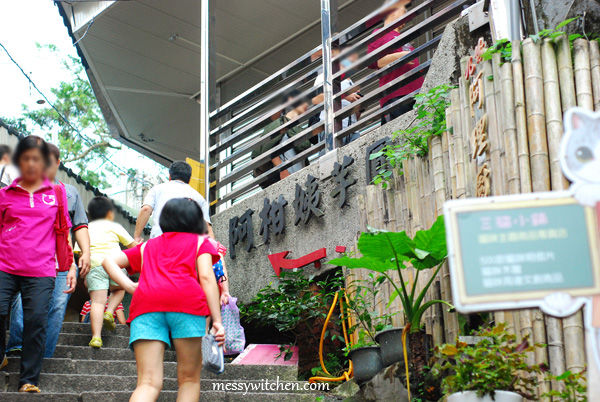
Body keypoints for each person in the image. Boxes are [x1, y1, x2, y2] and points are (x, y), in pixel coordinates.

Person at [103, 198, 225, 402]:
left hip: (146, 305)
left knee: (148, 383)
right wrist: (217, 321)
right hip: (187, 305)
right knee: (189, 380)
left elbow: (108, 260)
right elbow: (206, 278)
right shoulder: (199, 243)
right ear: (195, 220)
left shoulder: (147, 246)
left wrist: (129, 286)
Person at [0, 136, 74, 393]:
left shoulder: (56, 193)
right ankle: (1, 355)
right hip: (4, 266)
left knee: (36, 321)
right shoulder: (4, 195)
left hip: (42, 271)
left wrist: (69, 267)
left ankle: (28, 380)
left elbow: (63, 231)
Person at [6, 143, 91, 358]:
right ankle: (16, 345)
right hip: (25, 260)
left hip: (60, 261)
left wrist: (85, 254)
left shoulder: (70, 193)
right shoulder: (19, 189)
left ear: (57, 163)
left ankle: (45, 355)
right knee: (22, 304)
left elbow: (79, 225)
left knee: (56, 307)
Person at [134, 161, 231, 305]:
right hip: (188, 249)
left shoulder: (158, 189)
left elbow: (145, 210)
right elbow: (208, 229)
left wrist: (136, 235)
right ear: (189, 178)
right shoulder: (198, 197)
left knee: (156, 280)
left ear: (169, 176)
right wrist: (211, 251)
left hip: (159, 243)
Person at [80, 196, 137, 348]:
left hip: (95, 266)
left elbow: (81, 253)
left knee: (97, 302)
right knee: (120, 289)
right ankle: (110, 311)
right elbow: (132, 247)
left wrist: (85, 274)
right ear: (110, 213)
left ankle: (96, 337)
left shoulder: (85, 228)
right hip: (115, 266)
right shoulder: (115, 226)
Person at [367, 0, 424, 125]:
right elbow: (374, 62)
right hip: (396, 96)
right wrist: (401, 56)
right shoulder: (379, 33)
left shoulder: (403, 38)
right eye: (403, 11)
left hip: (416, 94)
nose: (406, 15)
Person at [252, 91, 312, 184]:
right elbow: (272, 150)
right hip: (288, 175)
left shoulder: (293, 128)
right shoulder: (281, 125)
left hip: (299, 175)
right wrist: (283, 171)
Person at [312, 44, 363, 149]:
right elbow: (317, 99)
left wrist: (358, 105)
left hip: (352, 129)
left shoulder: (350, 81)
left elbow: (356, 115)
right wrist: (345, 96)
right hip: (331, 127)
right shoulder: (323, 77)